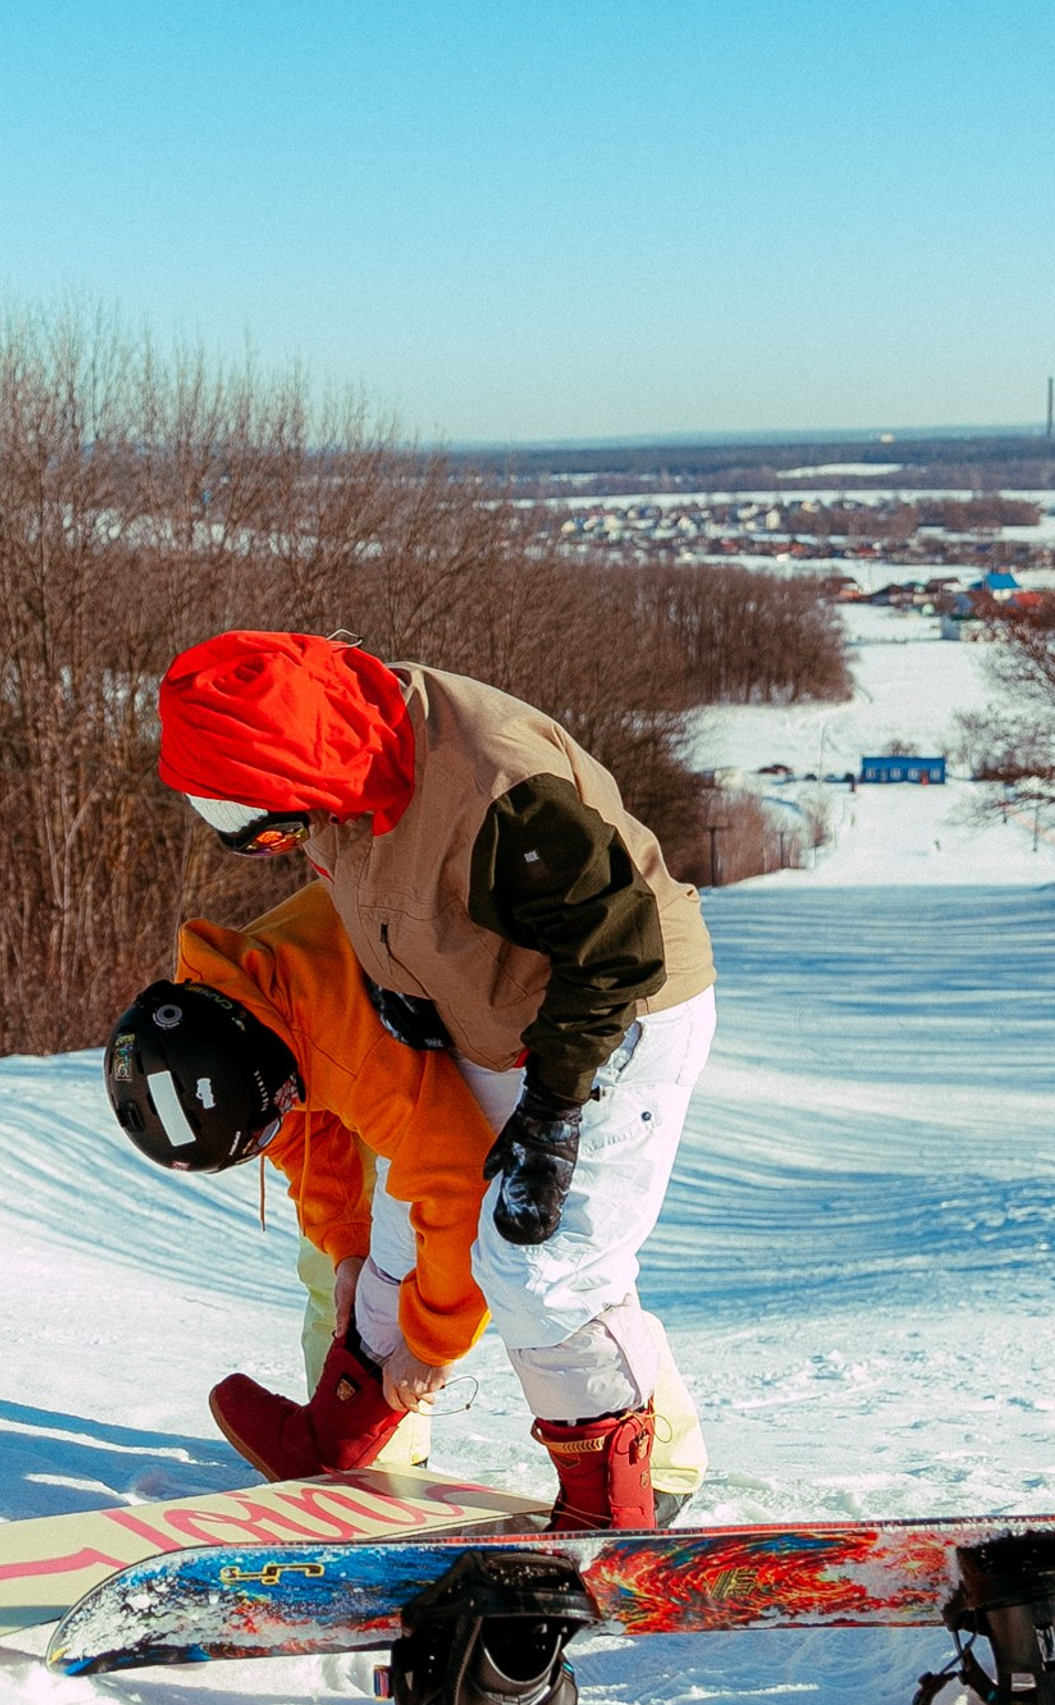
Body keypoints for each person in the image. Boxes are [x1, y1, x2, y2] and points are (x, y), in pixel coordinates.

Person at [154, 629, 717, 1529]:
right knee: (406, 1221)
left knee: (539, 1268)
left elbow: (619, 951)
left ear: (292, 762)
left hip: (613, 1022)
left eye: (248, 817)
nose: (254, 843)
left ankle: (611, 1504)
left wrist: (554, 1111)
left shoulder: (496, 792)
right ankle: (339, 1435)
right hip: (495, 1018)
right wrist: (405, 985)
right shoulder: (343, 765)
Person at [102, 882, 704, 1522]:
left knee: (549, 1267)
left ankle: (631, 1488)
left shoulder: (335, 1038)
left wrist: (431, 1344)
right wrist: (345, 1249)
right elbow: (302, 1123)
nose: (277, 1126)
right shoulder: (231, 1006)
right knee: (395, 1233)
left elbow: (456, 1192)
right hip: (473, 1015)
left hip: (592, 1006)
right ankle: (345, 1444)